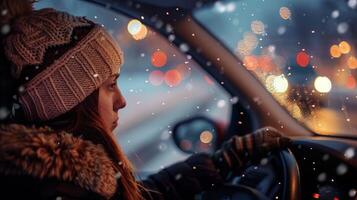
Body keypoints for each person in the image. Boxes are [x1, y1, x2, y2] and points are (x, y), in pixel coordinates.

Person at [0, 0, 291, 199]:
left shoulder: (69, 178)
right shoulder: (60, 189)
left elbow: (145, 194)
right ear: (70, 100)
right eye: (110, 85)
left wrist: (225, 160)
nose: (122, 100)